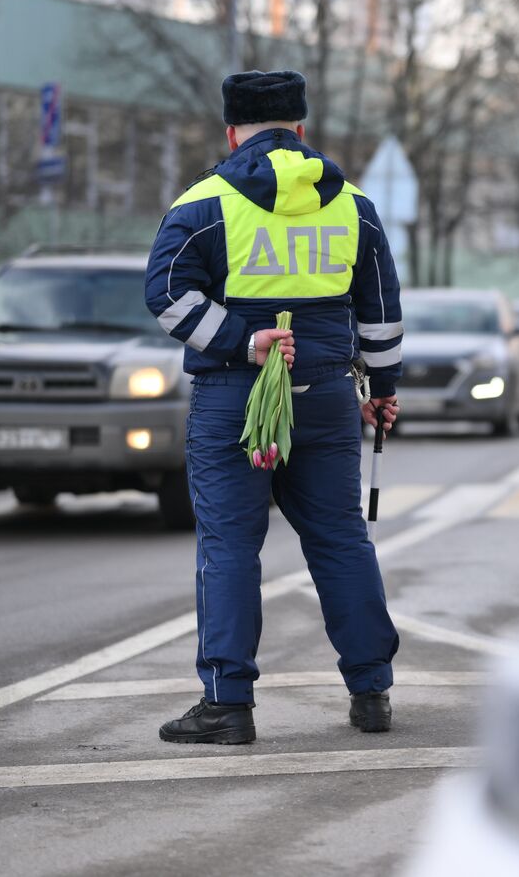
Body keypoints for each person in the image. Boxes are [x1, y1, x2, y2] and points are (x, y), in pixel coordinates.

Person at [145, 70, 403, 742]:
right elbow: (380, 313)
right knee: (342, 539)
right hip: (326, 398)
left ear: (232, 132)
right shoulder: (354, 206)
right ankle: (371, 691)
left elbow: (167, 294)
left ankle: (228, 704)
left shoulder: (202, 205)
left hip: (236, 398)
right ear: (302, 128)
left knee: (230, 545)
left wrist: (242, 340)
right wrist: (382, 389)